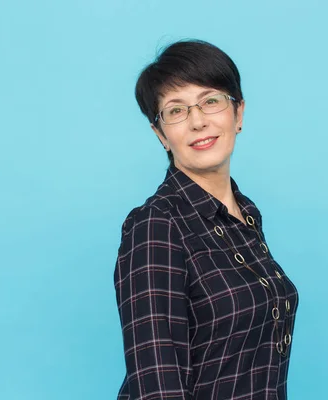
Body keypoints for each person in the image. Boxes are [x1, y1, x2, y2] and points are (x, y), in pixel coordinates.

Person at [114, 39, 299, 400]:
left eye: (211, 101)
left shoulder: (244, 216)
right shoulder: (156, 227)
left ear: (238, 113)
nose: (198, 121)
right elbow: (158, 387)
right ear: (160, 134)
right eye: (176, 111)